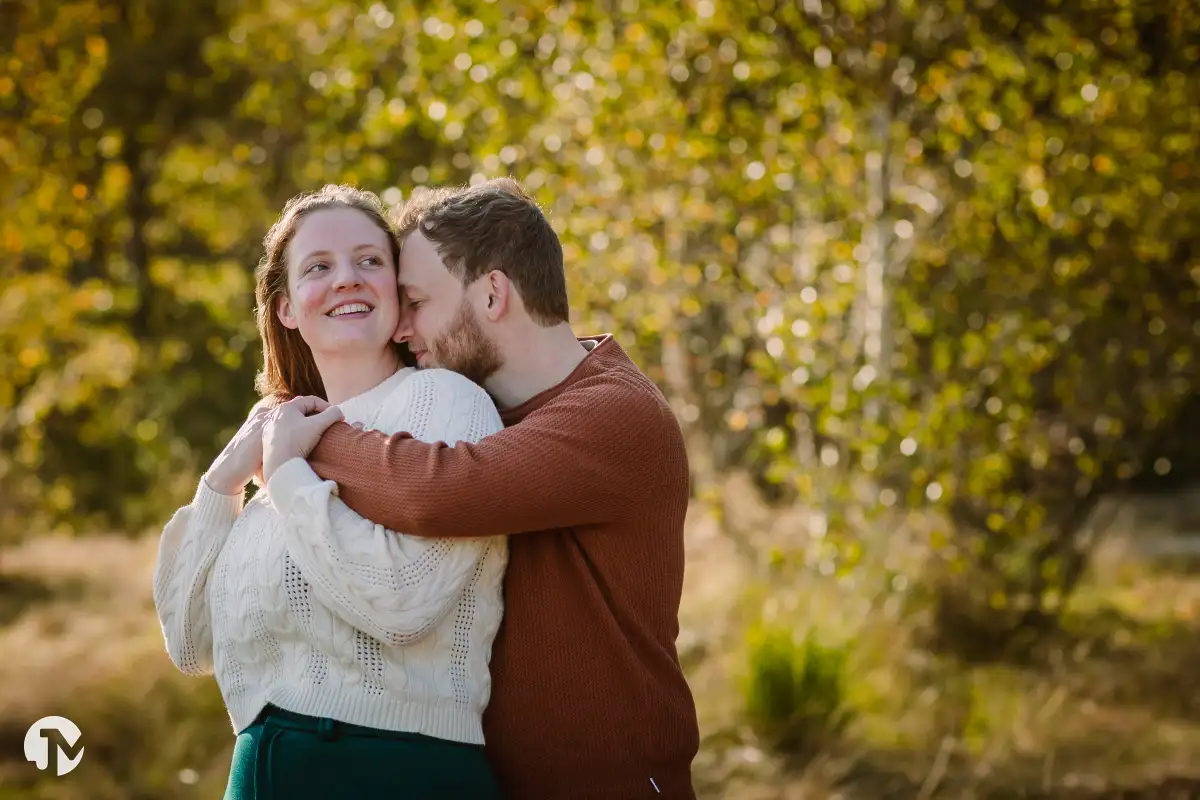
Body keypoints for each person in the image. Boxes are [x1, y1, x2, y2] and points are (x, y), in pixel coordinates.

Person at [260, 178, 701, 799]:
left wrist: (301, 439)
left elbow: (435, 493)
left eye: (416, 303)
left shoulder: (614, 416)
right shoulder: (485, 405)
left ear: (492, 293)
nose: (402, 327)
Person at [152, 184, 507, 799]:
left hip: (394, 774)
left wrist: (287, 475)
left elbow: (403, 604)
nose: (347, 278)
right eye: (320, 267)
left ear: (399, 294)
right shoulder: (276, 446)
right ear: (286, 308)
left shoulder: (447, 403)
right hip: (261, 778)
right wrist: (224, 480)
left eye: (371, 260)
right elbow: (188, 644)